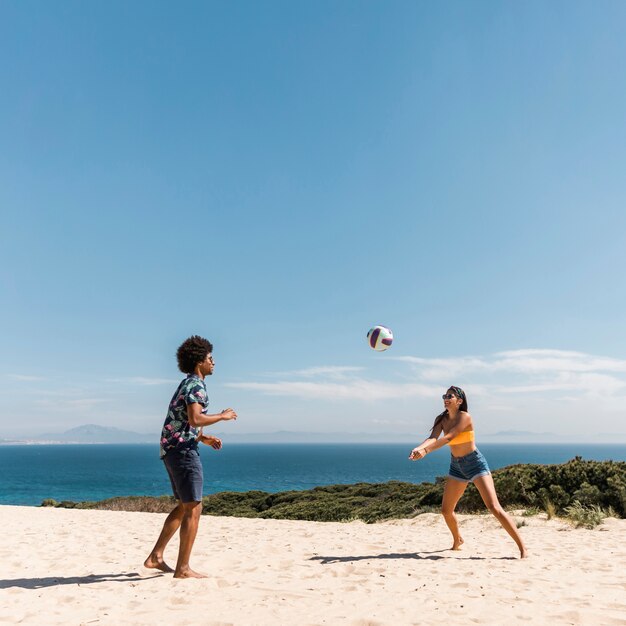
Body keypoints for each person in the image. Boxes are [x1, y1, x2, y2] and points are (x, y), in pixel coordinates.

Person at [144, 335, 238, 578]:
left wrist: (205, 438)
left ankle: (156, 557)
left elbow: (184, 422)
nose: (213, 361)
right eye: (209, 358)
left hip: (173, 449)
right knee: (194, 508)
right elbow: (195, 418)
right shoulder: (196, 385)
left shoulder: (187, 383)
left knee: (185, 506)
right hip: (182, 452)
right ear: (199, 362)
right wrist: (222, 416)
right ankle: (183, 569)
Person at [409, 386, 527, 558]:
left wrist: (426, 452)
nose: (446, 398)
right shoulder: (441, 418)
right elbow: (433, 437)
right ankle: (458, 540)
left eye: (450, 395)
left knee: (494, 507)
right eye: (445, 395)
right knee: (446, 510)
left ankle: (523, 548)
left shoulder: (465, 417)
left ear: (460, 401)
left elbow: (449, 437)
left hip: (475, 463)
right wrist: (419, 448)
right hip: (456, 466)